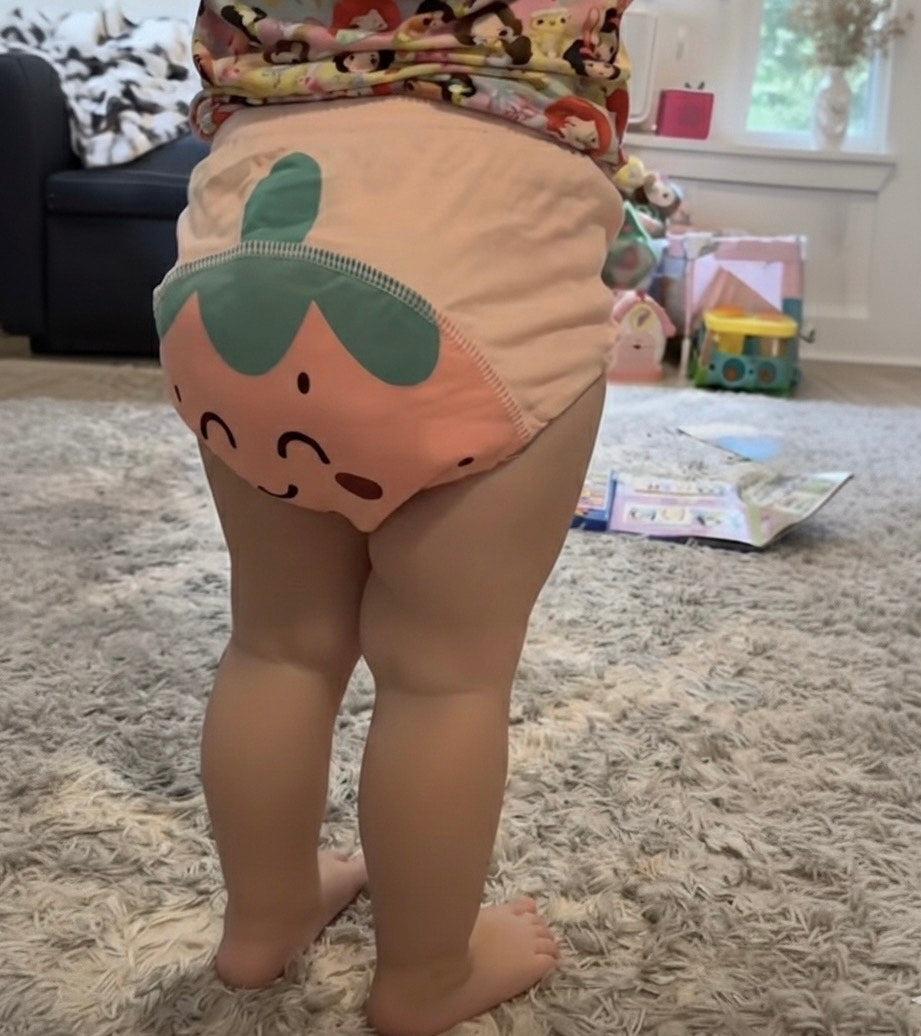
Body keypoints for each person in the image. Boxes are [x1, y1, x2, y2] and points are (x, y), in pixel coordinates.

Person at [155, 1, 631, 1032]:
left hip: (247, 241)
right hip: (482, 227)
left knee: (277, 642)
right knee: (445, 672)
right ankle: (425, 974)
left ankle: (263, 919)